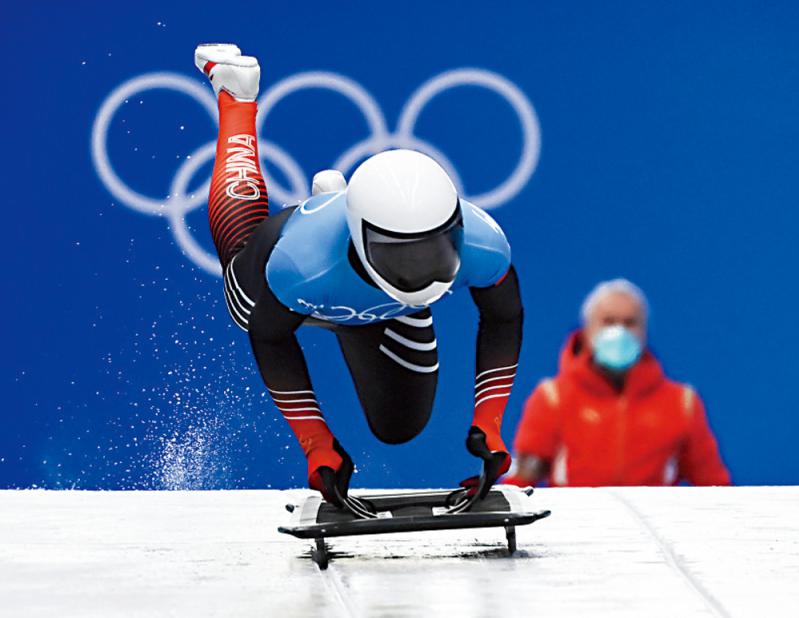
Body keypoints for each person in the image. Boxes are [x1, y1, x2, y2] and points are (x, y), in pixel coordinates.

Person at [194, 44, 523, 504]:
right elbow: (271, 339)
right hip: (311, 279)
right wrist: (316, 444)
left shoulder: (486, 246)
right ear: (360, 237)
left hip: (374, 300)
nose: (422, 268)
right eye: (402, 256)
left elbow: (504, 318)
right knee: (244, 303)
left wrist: (490, 422)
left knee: (398, 427)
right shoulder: (300, 268)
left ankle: (335, 202)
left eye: (435, 249)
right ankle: (235, 98)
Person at [506, 278, 731, 487]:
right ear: (587, 330)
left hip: (650, 526)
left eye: (629, 322)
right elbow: (522, 479)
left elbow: (714, 485)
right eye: (608, 321)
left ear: (644, 331)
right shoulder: (552, 398)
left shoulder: (682, 403)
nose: (619, 331)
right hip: (575, 525)